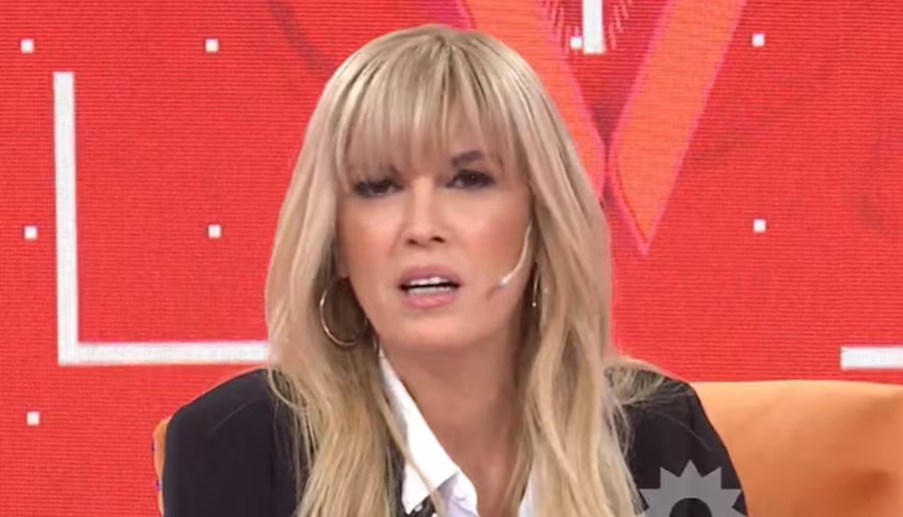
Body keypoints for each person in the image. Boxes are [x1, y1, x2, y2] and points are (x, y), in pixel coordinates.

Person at [162, 24, 747, 517]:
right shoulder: (236, 447)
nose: (422, 226)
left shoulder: (664, 438)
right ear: (335, 241)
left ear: (540, 220)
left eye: (469, 180)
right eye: (378, 186)